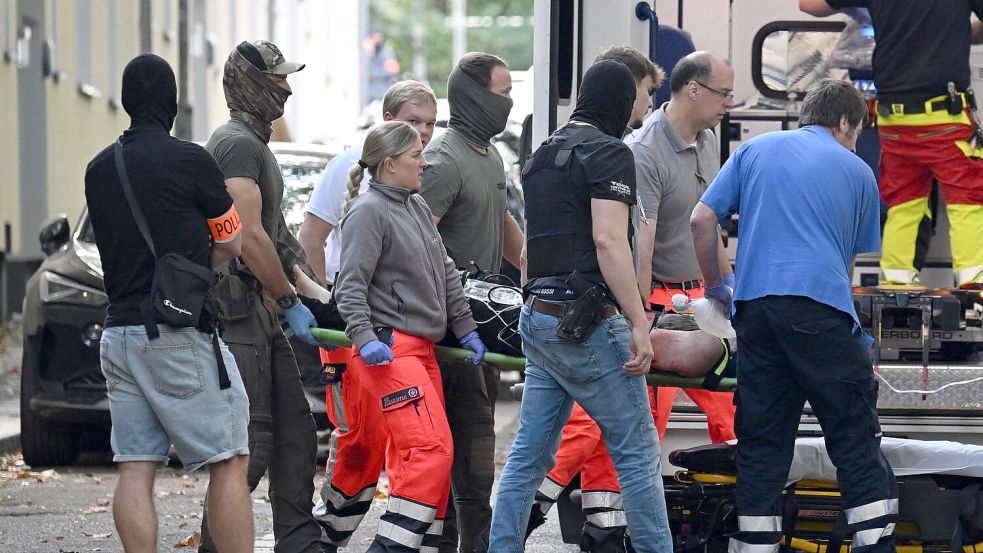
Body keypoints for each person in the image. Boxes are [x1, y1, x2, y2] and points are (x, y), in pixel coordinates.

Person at [691, 78, 898, 553]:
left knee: (762, 443)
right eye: (855, 131)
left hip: (757, 313)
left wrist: (716, 288)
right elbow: (844, 266)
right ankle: (873, 545)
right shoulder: (857, 170)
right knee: (853, 437)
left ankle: (755, 546)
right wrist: (855, 342)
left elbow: (701, 220)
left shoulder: (754, 150)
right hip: (821, 312)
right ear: (845, 123)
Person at [488, 59, 672, 553]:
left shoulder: (544, 153)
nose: (648, 103)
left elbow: (530, 252)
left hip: (539, 319)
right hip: (588, 325)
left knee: (528, 455)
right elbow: (609, 241)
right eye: (644, 93)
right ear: (619, 97)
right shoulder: (610, 153)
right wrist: (638, 320)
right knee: (636, 452)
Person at [85, 53, 253, 553]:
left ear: (126, 101)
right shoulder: (192, 160)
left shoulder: (99, 168)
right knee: (228, 459)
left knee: (136, 466)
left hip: (119, 335)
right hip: (178, 333)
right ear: (171, 103)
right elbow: (233, 241)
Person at [333, 120, 488, 552]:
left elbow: (447, 273)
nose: (425, 162)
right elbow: (349, 286)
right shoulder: (369, 211)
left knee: (423, 457)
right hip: (391, 351)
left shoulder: (414, 205)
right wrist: (365, 339)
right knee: (431, 454)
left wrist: (467, 329)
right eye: (416, 155)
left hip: (420, 351)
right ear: (389, 164)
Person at [300, 81, 438, 552]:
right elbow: (311, 240)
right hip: (358, 329)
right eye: (411, 122)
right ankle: (327, 537)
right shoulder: (351, 168)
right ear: (386, 120)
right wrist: (331, 312)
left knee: (414, 443)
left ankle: (399, 537)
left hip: (401, 331)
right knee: (362, 441)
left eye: (429, 124)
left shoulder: (414, 182)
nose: (422, 134)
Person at [199, 40, 322, 553]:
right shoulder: (236, 145)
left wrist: (316, 292)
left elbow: (277, 236)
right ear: (251, 83)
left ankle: (296, 540)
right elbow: (248, 237)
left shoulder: (255, 145)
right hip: (237, 314)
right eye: (277, 79)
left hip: (263, 313)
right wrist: (290, 301)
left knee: (296, 433)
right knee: (250, 445)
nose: (287, 88)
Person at [418, 51, 523, 552]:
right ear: (477, 96)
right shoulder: (444, 159)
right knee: (472, 446)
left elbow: (505, 230)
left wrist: (535, 270)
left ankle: (468, 543)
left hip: (483, 327)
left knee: (475, 452)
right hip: (451, 334)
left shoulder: (489, 156)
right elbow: (418, 237)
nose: (509, 102)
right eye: (503, 93)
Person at [800, 0, 983, 288]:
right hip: (944, 118)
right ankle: (974, 288)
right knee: (966, 201)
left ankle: (896, 286)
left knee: (904, 203)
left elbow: (809, 6)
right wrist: (962, 31)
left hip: (895, 121)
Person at [629, 50, 737, 443]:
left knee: (731, 415)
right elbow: (642, 242)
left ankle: (737, 500)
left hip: (701, 297)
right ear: (693, 89)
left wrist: (728, 285)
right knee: (649, 424)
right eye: (723, 93)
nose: (729, 103)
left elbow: (709, 226)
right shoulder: (645, 151)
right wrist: (639, 320)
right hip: (659, 301)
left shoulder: (708, 142)